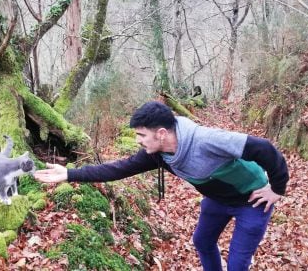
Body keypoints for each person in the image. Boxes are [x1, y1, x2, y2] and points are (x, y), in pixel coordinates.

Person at [34, 101, 289, 271]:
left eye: (141, 135)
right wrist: (69, 174)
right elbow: (117, 169)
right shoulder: (159, 155)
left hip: (253, 201)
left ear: (162, 133)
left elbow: (263, 148)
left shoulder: (206, 140)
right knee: (202, 241)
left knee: (237, 263)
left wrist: (277, 189)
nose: (138, 141)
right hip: (218, 200)